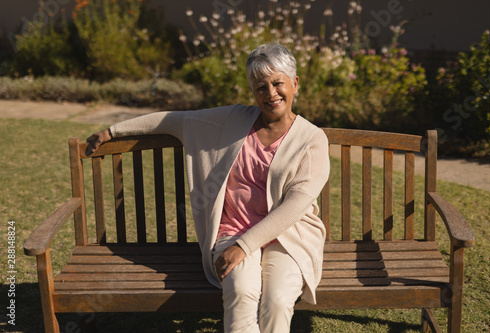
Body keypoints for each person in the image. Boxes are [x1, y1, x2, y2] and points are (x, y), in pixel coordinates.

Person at [86, 43, 330, 333]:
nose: (271, 94)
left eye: (278, 83)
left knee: (276, 300)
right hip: (232, 232)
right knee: (241, 293)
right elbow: (172, 120)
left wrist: (246, 246)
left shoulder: (312, 139)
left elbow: (296, 205)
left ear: (295, 83)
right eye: (260, 87)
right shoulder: (233, 121)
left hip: (288, 236)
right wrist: (112, 132)